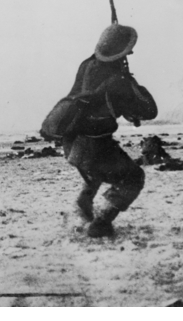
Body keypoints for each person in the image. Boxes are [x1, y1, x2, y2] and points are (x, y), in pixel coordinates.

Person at [42, 23, 157, 238]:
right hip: (95, 146)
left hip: (71, 143)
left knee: (96, 173)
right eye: (128, 49)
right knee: (133, 179)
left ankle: (82, 205)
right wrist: (131, 82)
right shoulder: (120, 81)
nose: (131, 52)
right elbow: (148, 111)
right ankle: (101, 223)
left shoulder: (86, 65)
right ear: (123, 51)